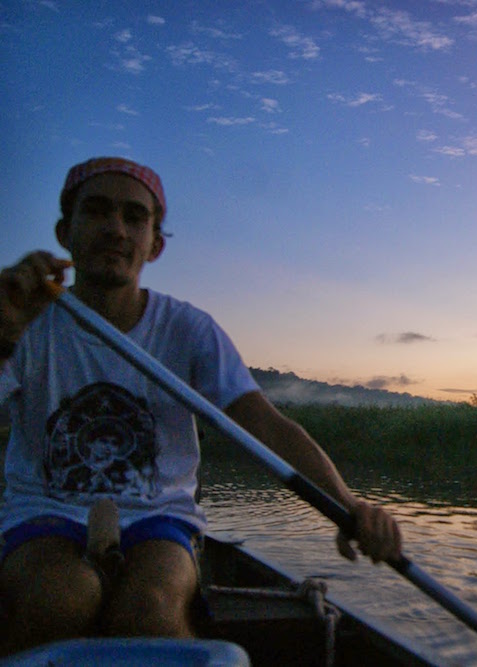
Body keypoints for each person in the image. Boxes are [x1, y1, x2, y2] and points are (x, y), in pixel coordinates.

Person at [0, 157, 402, 656]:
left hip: (157, 518)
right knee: (59, 599)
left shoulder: (188, 329)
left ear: (156, 243)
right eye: (97, 212)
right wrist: (5, 333)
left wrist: (350, 507)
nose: (116, 229)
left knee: (148, 610)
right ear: (66, 230)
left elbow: (267, 427)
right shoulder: (24, 318)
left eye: (135, 217)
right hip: (45, 512)